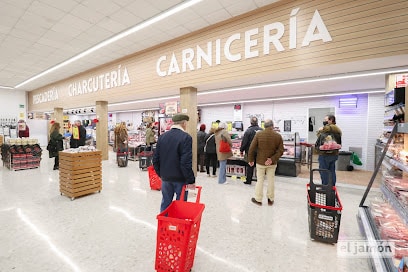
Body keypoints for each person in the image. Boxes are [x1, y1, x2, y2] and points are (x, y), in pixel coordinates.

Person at [153, 114, 195, 212]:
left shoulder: (162, 137)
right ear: (184, 123)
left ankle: (164, 225)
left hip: (166, 178)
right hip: (180, 179)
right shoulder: (186, 137)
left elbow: (155, 159)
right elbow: (185, 162)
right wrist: (190, 180)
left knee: (165, 203)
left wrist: (161, 174)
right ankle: (177, 226)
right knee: (180, 205)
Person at [248, 119, 284, 206]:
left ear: (264, 126)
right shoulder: (278, 136)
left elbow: (251, 148)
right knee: (271, 180)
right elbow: (281, 150)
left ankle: (258, 199)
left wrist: (250, 160)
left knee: (260, 180)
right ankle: (270, 199)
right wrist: (272, 159)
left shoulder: (259, 134)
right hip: (272, 163)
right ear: (273, 125)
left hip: (260, 162)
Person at [316, 114, 342, 186]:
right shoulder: (337, 129)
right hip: (334, 153)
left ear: (331, 120)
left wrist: (320, 129)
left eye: (325, 120)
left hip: (325, 154)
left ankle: (325, 186)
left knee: (323, 171)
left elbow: (320, 135)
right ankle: (332, 186)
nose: (324, 121)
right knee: (331, 170)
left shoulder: (329, 128)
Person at [240, 117, 263, 185]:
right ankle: (259, 180)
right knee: (259, 166)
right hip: (260, 152)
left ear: (251, 122)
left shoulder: (248, 131)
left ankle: (249, 180)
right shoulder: (262, 130)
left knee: (250, 166)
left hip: (250, 152)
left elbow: (244, 142)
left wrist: (241, 150)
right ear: (257, 122)